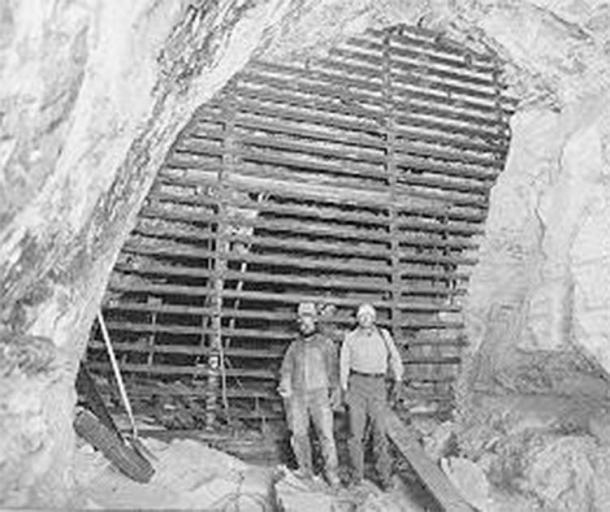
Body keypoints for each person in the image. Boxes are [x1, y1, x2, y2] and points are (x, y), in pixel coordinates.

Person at [339, 302, 404, 490]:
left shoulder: (384, 335)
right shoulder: (350, 338)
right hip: (357, 385)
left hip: (377, 385)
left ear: (373, 318)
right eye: (361, 316)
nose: (364, 318)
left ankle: (385, 477)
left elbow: (394, 357)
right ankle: (356, 476)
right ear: (358, 319)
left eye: (368, 315)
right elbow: (344, 363)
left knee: (380, 433)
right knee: (355, 434)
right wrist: (344, 388)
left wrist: (398, 378)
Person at [278, 302, 341, 488]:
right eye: (301, 320)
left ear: (315, 320)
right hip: (298, 396)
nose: (304, 323)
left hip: (320, 395)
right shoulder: (294, 347)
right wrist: (285, 388)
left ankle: (332, 473)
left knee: (326, 435)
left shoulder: (326, 344)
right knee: (298, 434)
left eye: (308, 319)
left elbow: (334, 371)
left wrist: (335, 392)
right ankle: (305, 469)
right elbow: (286, 370)